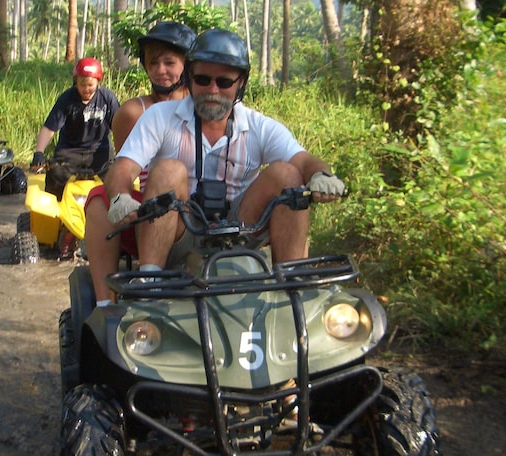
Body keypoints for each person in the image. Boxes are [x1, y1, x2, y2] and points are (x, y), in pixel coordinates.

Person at [103, 29, 346, 288]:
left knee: (287, 174)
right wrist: (120, 195)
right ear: (190, 77)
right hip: (180, 231)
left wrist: (322, 175)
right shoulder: (160, 116)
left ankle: (291, 281)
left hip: (242, 231)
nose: (212, 89)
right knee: (168, 170)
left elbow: (304, 160)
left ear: (240, 83)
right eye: (203, 79)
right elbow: (125, 166)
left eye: (224, 82)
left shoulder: (258, 125)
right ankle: (149, 279)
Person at [82, 21, 196, 303]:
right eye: (153, 62)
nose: (160, 70)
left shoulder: (204, 104)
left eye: (169, 62)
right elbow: (129, 168)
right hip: (153, 210)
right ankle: (105, 303)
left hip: (196, 212)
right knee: (98, 200)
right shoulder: (134, 112)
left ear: (188, 65)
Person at [31, 57, 120, 199]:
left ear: (98, 82)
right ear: (75, 82)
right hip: (69, 152)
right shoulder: (67, 99)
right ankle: (55, 218)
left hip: (99, 152)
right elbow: (49, 128)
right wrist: (39, 153)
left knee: (117, 180)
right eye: (82, 84)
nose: (86, 89)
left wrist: (124, 154)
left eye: (90, 85)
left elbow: (119, 128)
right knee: (55, 176)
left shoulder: (107, 98)